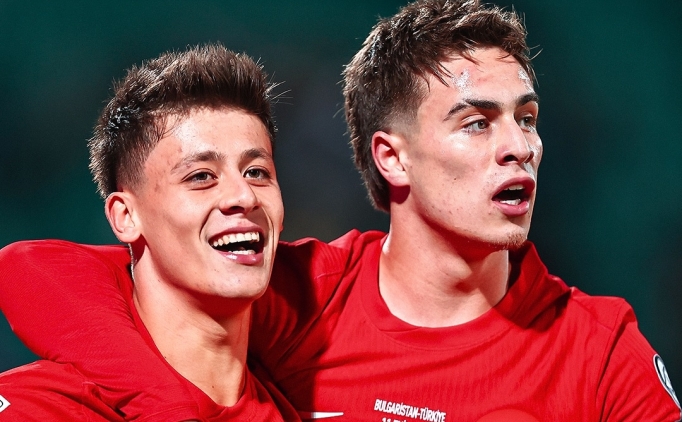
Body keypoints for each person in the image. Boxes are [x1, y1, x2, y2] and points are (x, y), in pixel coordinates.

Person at [1, 0, 680, 421]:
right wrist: (176, 407)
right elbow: (41, 273)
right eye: (476, 123)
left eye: (526, 118)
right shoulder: (308, 298)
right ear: (392, 158)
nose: (520, 147)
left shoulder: (600, 353)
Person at [0, 44, 298, 421]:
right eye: (201, 176)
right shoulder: (36, 408)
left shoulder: (302, 402)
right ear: (126, 216)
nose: (244, 196)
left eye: (257, 172)